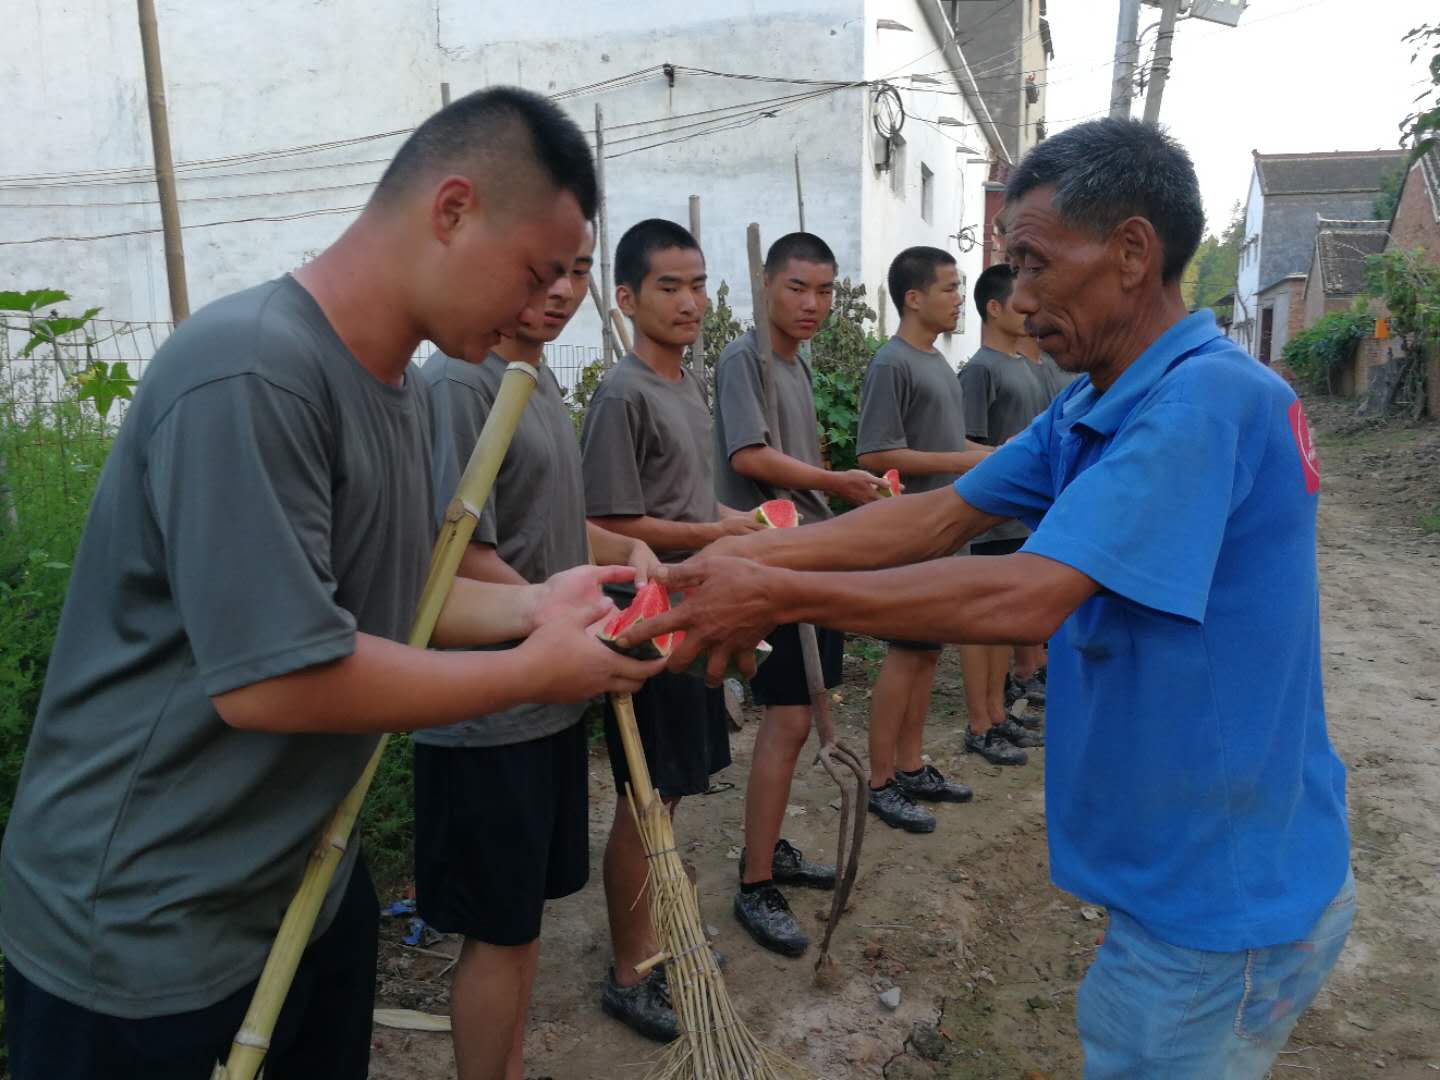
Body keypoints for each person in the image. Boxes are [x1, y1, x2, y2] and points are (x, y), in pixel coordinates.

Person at [636, 118, 1353, 1080]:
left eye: (1035, 263)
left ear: (1131, 252)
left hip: (1223, 892)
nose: (1017, 296)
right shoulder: (1096, 401)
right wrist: (755, 561)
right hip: (1188, 864)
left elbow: (1027, 595)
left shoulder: (1205, 402)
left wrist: (773, 589)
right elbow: (937, 518)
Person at [0, 88, 663, 1080]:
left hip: (300, 883)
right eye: (535, 273)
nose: (543, 306)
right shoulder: (251, 371)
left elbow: (387, 609)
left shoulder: (397, 391)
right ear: (453, 210)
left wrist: (536, 605)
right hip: (148, 921)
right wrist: (533, 669)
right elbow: (276, 680)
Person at [416, 223, 664, 1080]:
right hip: (485, 713)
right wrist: (574, 623)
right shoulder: (458, 384)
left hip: (548, 699)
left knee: (522, 926)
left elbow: (549, 524)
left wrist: (623, 550)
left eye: (578, 271)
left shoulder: (537, 376)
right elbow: (455, 558)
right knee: (498, 932)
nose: (562, 289)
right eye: (545, 270)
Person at [579, 218, 764, 1042]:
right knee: (644, 799)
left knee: (675, 790)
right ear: (626, 298)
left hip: (696, 614)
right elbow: (614, 524)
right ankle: (631, 971)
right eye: (669, 287)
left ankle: (661, 934)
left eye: (697, 285)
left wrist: (739, 524)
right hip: (649, 623)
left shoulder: (685, 383)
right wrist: (715, 533)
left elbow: (684, 503)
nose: (690, 302)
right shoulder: (622, 395)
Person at [711, 231, 890, 958]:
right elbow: (749, 456)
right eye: (797, 288)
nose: (813, 304)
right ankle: (755, 881)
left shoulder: (797, 364)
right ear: (766, 285)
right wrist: (834, 481)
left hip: (812, 554)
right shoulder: (743, 359)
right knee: (785, 719)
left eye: (824, 290)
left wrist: (835, 494)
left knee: (803, 713)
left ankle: (771, 850)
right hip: (770, 558)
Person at [854, 246, 1001, 837]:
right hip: (913, 531)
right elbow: (876, 452)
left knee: (926, 653)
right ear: (913, 298)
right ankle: (880, 780)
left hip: (947, 530)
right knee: (904, 652)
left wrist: (990, 458)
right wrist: (966, 462)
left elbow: (946, 444)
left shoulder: (937, 361)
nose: (959, 299)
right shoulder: (892, 363)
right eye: (949, 288)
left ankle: (911, 766)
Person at [957, 264, 1050, 756]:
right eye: (1019, 297)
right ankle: (980, 724)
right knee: (983, 623)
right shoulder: (980, 370)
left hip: (1021, 519)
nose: (1030, 304)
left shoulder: (1025, 366)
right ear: (994, 308)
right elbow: (964, 443)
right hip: (990, 520)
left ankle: (998, 713)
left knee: (1005, 621)